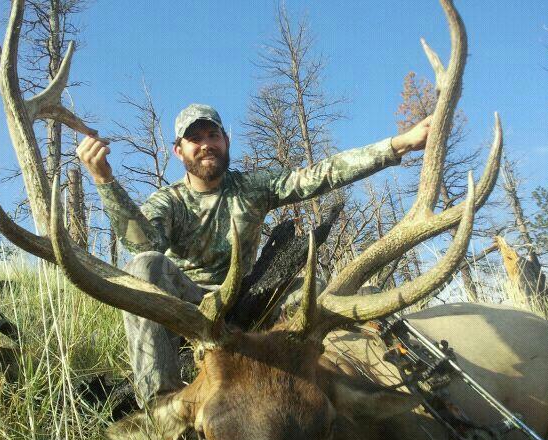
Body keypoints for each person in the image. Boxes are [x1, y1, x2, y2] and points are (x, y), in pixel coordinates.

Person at [77, 103, 430, 405]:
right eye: (194, 139)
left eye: (212, 136)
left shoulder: (252, 186)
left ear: (226, 141)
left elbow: (318, 175)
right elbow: (143, 246)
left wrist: (397, 145)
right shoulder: (168, 201)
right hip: (192, 313)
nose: (205, 145)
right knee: (145, 265)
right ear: (178, 151)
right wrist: (105, 180)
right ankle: (162, 404)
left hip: (249, 303)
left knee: (314, 287)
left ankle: (337, 383)